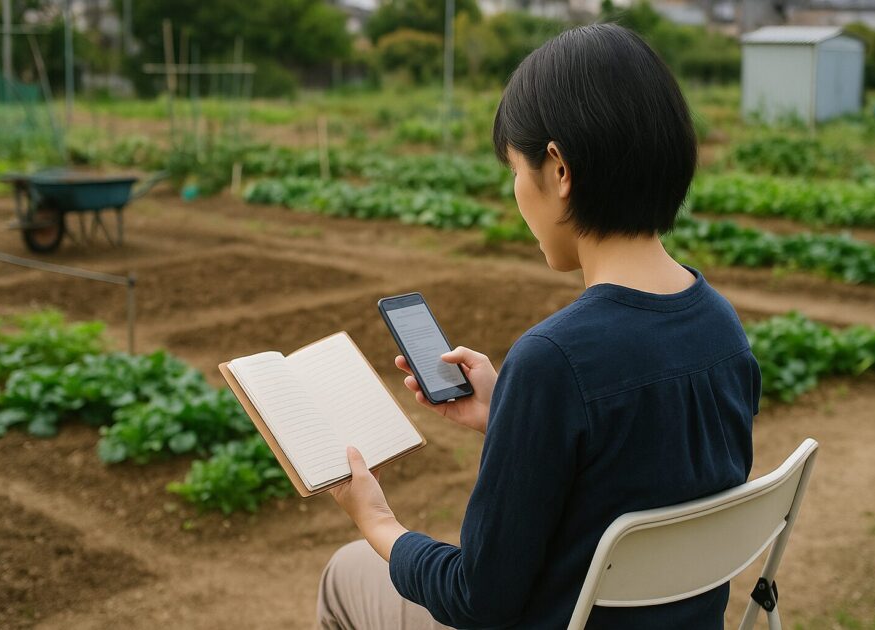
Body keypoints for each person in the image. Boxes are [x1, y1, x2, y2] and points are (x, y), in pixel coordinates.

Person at [319, 22, 761, 629]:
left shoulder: (555, 360)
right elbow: (641, 472)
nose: (517, 192)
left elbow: (479, 599)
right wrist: (511, 413)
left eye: (515, 171)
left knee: (347, 571)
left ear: (558, 170)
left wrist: (377, 521)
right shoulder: (720, 328)